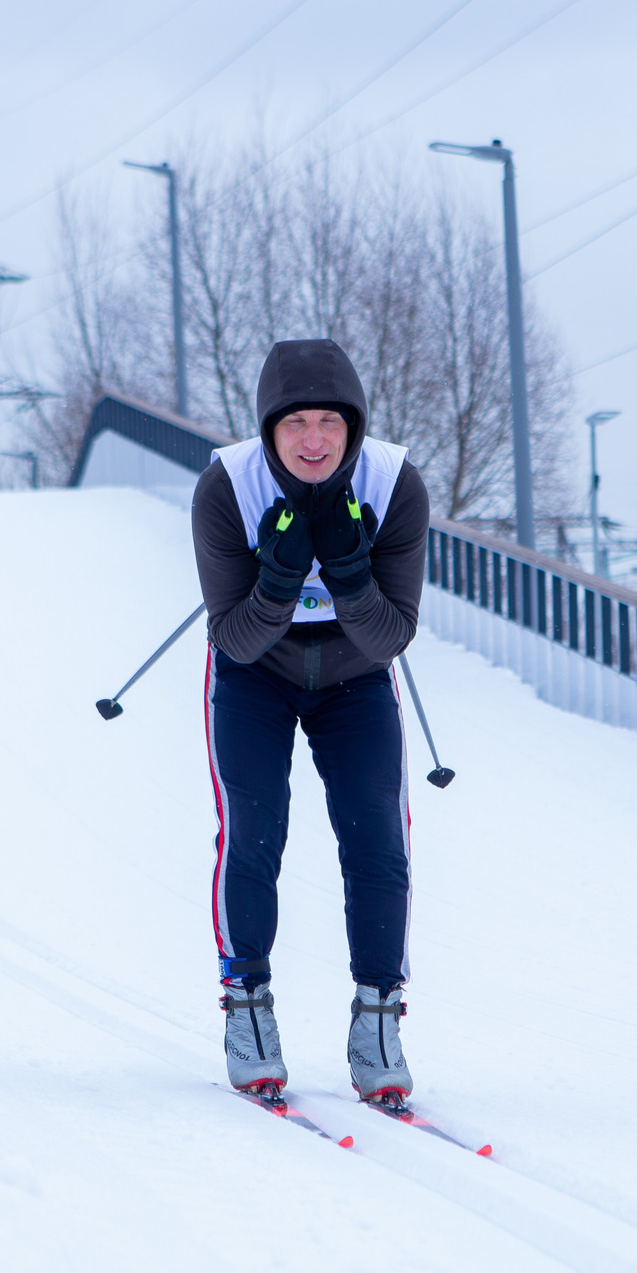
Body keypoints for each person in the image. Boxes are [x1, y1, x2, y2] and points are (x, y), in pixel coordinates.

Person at [193, 339, 432, 1107]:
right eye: (295, 423)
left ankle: (378, 1020)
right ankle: (248, 1010)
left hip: (354, 677)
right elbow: (232, 635)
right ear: (269, 431)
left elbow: (391, 637)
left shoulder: (395, 484)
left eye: (331, 421)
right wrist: (282, 574)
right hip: (254, 675)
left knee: (377, 840)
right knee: (253, 830)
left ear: (353, 427)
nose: (314, 439)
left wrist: (352, 574)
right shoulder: (229, 488)